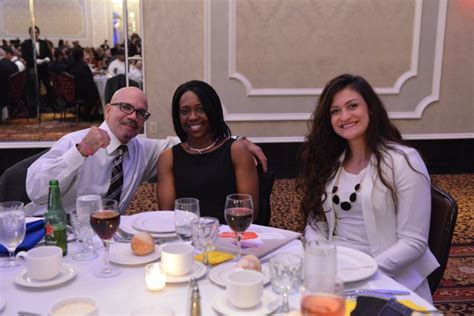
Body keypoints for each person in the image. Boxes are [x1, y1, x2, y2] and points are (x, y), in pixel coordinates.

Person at [299, 74, 438, 302]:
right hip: (334, 269)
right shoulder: (330, 161)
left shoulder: (404, 162)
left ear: (370, 109)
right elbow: (316, 222)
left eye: (352, 106)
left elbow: (414, 243)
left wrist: (361, 273)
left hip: (385, 275)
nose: (345, 116)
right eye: (335, 111)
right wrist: (320, 261)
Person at [26, 86, 267, 215]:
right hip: (52, 231)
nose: (133, 116)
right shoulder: (74, 142)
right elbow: (35, 191)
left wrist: (237, 139)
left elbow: (193, 142)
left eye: (141, 113)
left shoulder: (141, 148)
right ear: (108, 110)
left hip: (105, 234)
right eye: (126, 108)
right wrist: (80, 151)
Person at [157, 80, 259, 223]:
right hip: (187, 238)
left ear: (213, 111)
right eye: (185, 111)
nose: (192, 117)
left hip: (229, 236)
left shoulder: (236, 151)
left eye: (201, 109)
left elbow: (250, 213)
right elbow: (167, 217)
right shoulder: (167, 158)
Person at [20, 26, 55, 115]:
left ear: (38, 33)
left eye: (36, 32)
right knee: (33, 88)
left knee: (49, 87)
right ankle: (33, 108)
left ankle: (50, 106)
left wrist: (47, 59)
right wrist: (35, 61)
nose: (34, 34)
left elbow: (49, 55)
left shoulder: (43, 43)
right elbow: (25, 57)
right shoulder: (25, 44)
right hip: (33, 69)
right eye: (32, 32)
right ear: (29, 33)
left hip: (44, 69)